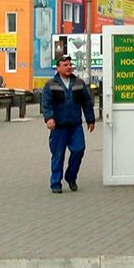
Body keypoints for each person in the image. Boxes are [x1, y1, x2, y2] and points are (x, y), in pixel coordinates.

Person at [40, 55, 95, 194]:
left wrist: (90, 119)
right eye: (65, 65)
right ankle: (55, 183)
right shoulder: (50, 84)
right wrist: (49, 118)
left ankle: (71, 177)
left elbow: (87, 102)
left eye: (70, 64)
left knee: (79, 150)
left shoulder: (79, 83)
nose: (69, 67)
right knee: (58, 155)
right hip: (58, 127)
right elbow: (46, 104)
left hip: (75, 125)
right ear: (58, 68)